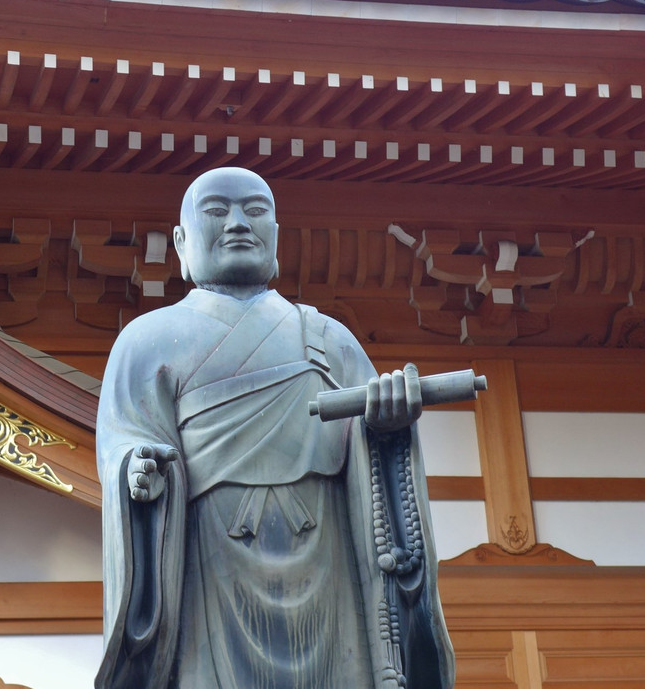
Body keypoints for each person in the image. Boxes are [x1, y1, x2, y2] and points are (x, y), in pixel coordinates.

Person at [96, 168, 454, 689]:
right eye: (216, 211)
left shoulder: (331, 339)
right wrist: (139, 471)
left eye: (255, 210)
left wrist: (386, 431)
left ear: (277, 235)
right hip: (209, 571)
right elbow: (127, 442)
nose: (238, 223)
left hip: (326, 567)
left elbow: (373, 471)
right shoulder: (146, 341)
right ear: (181, 242)